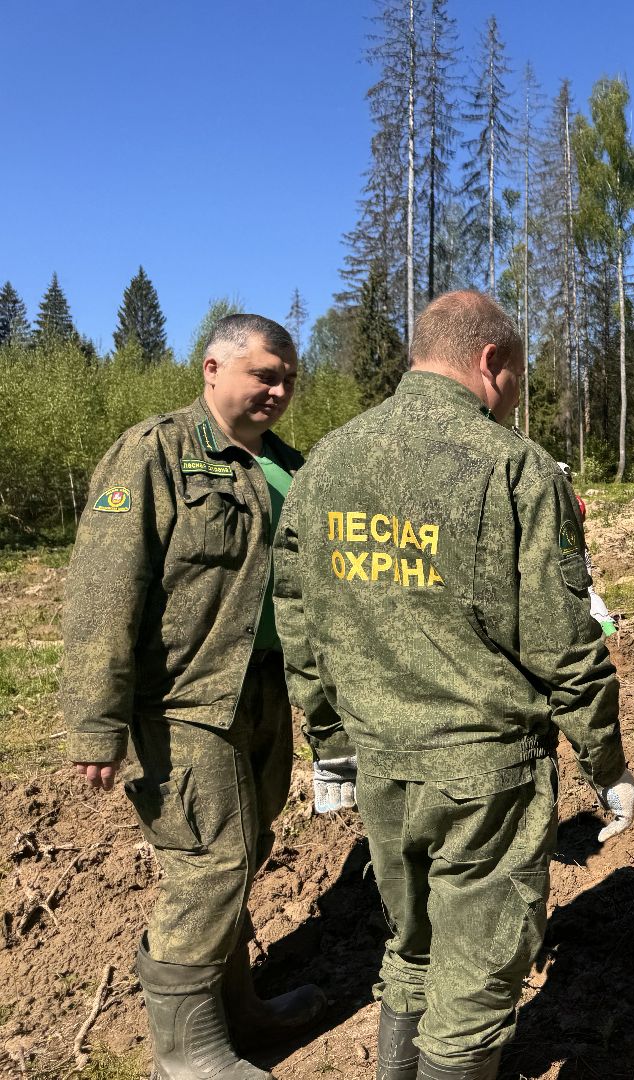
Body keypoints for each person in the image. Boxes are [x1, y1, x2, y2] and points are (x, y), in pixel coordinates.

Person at [273, 290, 634, 1080]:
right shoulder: (515, 467)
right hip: (484, 778)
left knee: (412, 948)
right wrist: (605, 762)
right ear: (490, 362)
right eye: (516, 380)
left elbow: (295, 618)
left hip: (379, 762)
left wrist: (331, 742)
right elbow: (564, 642)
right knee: (474, 986)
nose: (513, 399)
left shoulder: (328, 460)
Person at [62, 315, 324, 1079]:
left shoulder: (284, 466)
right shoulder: (157, 454)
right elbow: (104, 589)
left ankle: (234, 1007)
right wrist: (94, 723)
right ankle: (186, 1055)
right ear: (213, 368)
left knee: (245, 853)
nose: (278, 390)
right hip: (180, 701)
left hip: (264, 692)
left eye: (287, 379)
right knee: (210, 863)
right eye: (264, 375)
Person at [557, 461, 616, 636]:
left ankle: (602, 629)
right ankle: (607, 627)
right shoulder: (578, 501)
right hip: (581, 550)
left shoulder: (557, 503)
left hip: (566, 554)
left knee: (579, 593)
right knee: (587, 592)